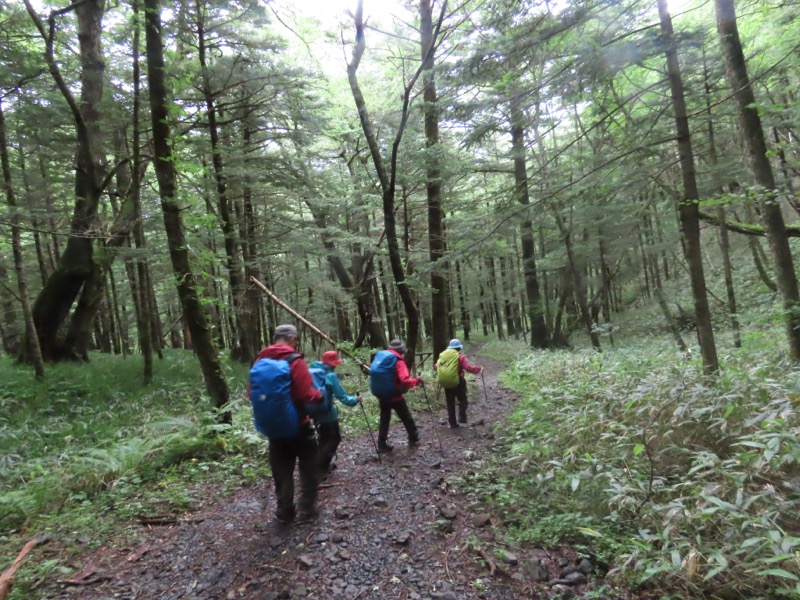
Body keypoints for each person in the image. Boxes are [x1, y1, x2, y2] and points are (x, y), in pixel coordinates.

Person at [250, 324, 323, 524]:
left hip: (274, 428)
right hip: (299, 424)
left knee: (281, 468)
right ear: (292, 338)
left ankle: (285, 510)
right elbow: (305, 393)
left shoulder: (260, 360)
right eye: (297, 339)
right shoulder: (295, 361)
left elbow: (251, 393)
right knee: (308, 465)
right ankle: (308, 507)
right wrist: (319, 395)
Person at [308, 350, 360, 476]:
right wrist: (356, 400)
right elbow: (342, 397)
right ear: (334, 363)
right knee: (334, 439)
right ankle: (320, 468)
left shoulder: (311, 371)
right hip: (328, 414)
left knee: (323, 440)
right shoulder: (330, 376)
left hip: (315, 413)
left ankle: (321, 466)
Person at [369, 339, 423, 453]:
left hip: (382, 395)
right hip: (394, 395)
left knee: (384, 419)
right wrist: (416, 381)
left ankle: (381, 443)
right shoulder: (398, 361)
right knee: (406, 417)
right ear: (401, 350)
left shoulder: (383, 357)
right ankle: (413, 437)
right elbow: (404, 380)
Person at [435, 338, 483, 428]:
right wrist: (478, 368)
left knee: (450, 403)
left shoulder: (443, 356)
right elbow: (468, 368)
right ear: (458, 348)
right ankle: (462, 417)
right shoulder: (460, 356)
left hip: (446, 382)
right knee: (463, 399)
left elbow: (437, 365)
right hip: (458, 382)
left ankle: (452, 423)